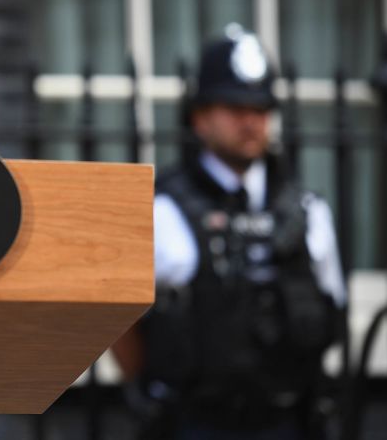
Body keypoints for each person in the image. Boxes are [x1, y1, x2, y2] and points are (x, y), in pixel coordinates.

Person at [127, 27, 346, 440]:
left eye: (261, 109)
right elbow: (120, 322)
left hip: (290, 421)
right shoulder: (164, 210)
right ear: (200, 117)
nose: (251, 121)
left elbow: (332, 307)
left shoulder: (307, 210)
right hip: (196, 422)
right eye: (234, 106)